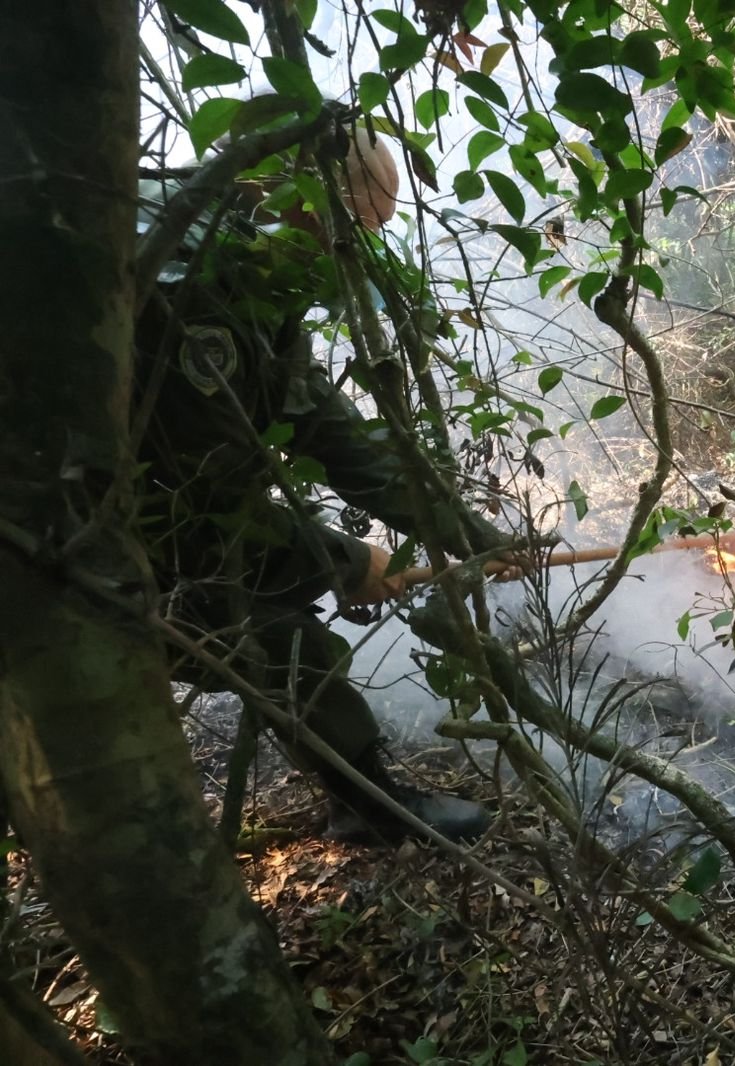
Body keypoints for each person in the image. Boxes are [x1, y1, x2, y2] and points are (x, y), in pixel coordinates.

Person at [137, 124, 500, 843]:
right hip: (69, 556)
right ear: (297, 198)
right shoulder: (185, 283)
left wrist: (474, 537)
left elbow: (337, 439)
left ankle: (362, 804)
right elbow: (195, 518)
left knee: (286, 638)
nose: (355, 256)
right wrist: (341, 560)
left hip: (143, 537)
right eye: (353, 229)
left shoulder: (259, 281)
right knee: (278, 636)